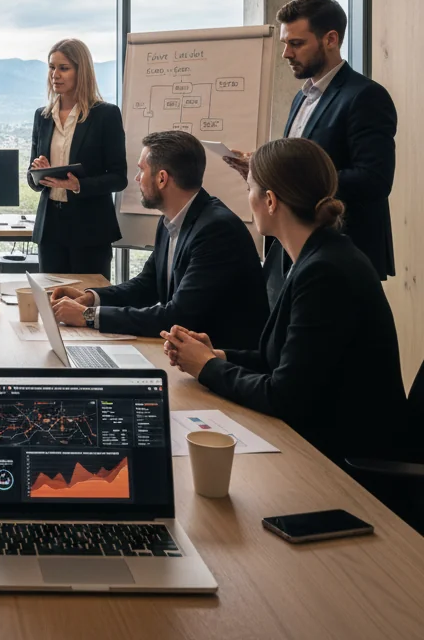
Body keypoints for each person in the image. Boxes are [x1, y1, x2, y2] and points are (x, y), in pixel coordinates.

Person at [162, 138, 406, 469]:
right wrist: (219, 355)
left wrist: (206, 366)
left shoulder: (325, 271)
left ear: (271, 201)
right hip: (321, 438)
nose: (248, 201)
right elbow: (282, 359)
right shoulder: (317, 254)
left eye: (250, 189)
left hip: (344, 462)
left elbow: (284, 396)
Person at [227, 0, 396, 279]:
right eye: (285, 44)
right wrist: (263, 172)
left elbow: (375, 180)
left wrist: (289, 177)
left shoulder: (366, 96)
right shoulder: (301, 98)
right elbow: (298, 166)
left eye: (296, 43)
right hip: (294, 251)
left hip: (341, 255)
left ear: (331, 39)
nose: (286, 54)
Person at [50, 130, 267, 348]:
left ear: (162, 178)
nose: (136, 178)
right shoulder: (172, 220)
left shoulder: (216, 230)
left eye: (141, 170)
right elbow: (147, 285)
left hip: (223, 362)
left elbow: (177, 317)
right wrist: (91, 298)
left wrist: (89, 316)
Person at [27, 39, 127, 278]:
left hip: (90, 228)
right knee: (51, 301)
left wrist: (77, 185)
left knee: (86, 304)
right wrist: (39, 173)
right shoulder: (42, 116)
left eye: (64, 68)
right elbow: (31, 180)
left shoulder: (105, 115)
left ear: (81, 72)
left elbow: (118, 178)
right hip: (50, 227)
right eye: (52, 67)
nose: (55, 75)